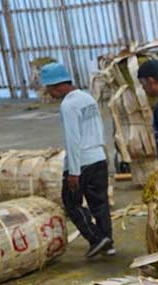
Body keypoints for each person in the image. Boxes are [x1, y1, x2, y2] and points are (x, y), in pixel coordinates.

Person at [41, 62, 114, 258]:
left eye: (49, 89)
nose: (49, 94)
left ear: (56, 85)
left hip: (82, 162)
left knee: (71, 204)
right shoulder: (87, 98)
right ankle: (108, 241)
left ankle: (96, 239)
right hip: (99, 157)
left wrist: (73, 171)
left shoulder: (68, 105)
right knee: (100, 203)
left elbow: (73, 140)